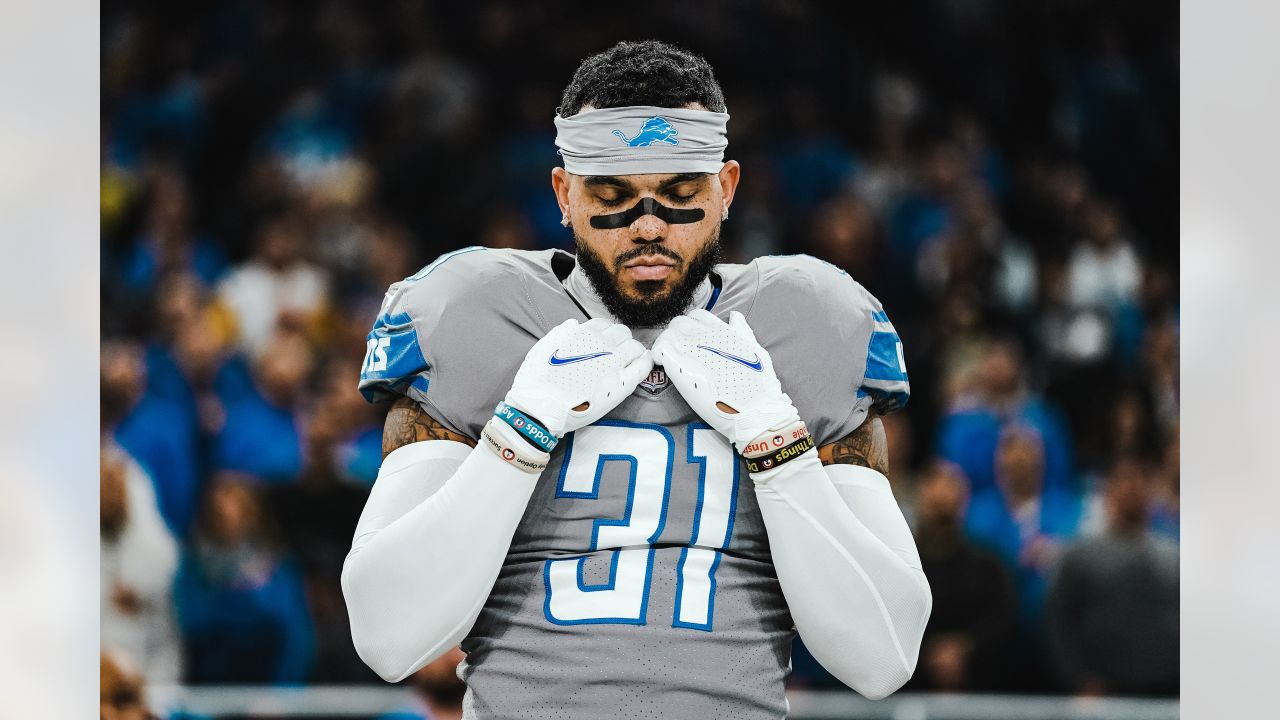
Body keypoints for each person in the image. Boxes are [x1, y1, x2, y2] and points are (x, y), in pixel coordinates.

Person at [342, 40, 931, 718]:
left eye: (680, 194)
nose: (648, 226)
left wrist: (777, 444)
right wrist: (517, 436)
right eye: (613, 195)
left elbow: (885, 655)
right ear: (564, 192)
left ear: (726, 189)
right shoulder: (475, 317)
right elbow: (389, 638)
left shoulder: (809, 326)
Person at [1046, 457, 1179, 696]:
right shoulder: (1079, 556)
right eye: (1123, 482)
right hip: (1104, 687)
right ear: (1109, 493)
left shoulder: (1172, 557)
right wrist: (1078, 678)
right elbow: (1061, 623)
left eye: (1139, 483)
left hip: (1166, 685)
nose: (1131, 490)